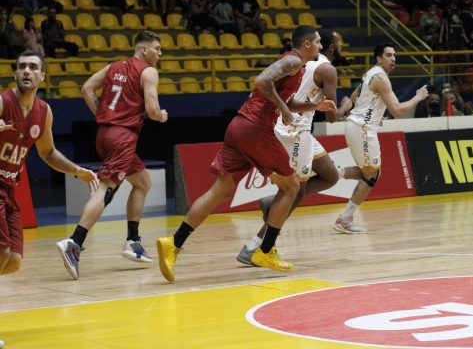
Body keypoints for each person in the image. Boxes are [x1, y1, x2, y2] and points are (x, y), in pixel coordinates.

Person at [156, 26, 335, 282]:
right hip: (256, 129)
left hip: (239, 127)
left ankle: (173, 244)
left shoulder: (296, 66)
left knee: (220, 190)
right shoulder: (294, 60)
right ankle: (265, 250)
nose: (321, 46)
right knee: (292, 187)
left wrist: (313, 105)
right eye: (317, 42)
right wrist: (284, 111)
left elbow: (285, 99)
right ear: (306, 44)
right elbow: (261, 81)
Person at [56, 32, 168, 280]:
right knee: (106, 189)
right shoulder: (148, 72)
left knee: (143, 182)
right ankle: (74, 242)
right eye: (157, 49)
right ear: (144, 50)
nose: (160, 54)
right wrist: (162, 116)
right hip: (123, 138)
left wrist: (103, 115)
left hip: (104, 134)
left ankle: (133, 241)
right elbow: (152, 110)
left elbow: (86, 88)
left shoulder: (113, 66)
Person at [236, 29, 354, 264]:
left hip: (295, 125)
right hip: (294, 131)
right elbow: (332, 117)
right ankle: (254, 246)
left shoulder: (307, 61)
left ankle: (273, 202)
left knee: (330, 175)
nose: (341, 46)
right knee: (295, 192)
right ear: (330, 47)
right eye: (338, 43)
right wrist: (346, 106)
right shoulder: (328, 69)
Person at [1, 52, 98, 280]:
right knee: (2, 253)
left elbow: (48, 152)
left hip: (10, 188)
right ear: (15, 74)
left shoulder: (43, 112)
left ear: (42, 76)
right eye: (22, 66)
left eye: (33, 67)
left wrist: (76, 170)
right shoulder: (3, 102)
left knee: (13, 261)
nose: (27, 71)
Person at [333, 43, 429, 233]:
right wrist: (418, 97)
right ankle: (345, 218)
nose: (393, 59)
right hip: (362, 128)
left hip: (357, 126)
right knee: (371, 176)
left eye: (394, 55)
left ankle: (331, 173)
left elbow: (354, 96)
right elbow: (398, 111)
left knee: (370, 173)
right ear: (379, 58)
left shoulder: (370, 73)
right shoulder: (381, 78)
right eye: (388, 55)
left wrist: (375, 113)